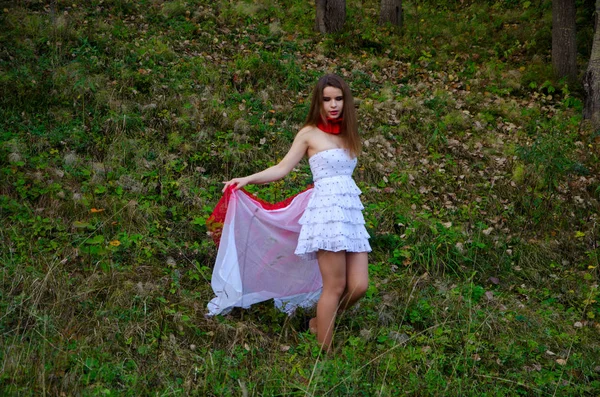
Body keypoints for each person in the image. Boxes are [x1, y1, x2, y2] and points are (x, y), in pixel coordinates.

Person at [220, 74, 371, 352]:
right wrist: (247, 179)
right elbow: (281, 168)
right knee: (335, 286)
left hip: (349, 213)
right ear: (319, 102)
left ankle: (319, 320)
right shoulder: (309, 133)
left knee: (359, 285)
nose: (333, 104)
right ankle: (324, 354)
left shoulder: (349, 133)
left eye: (338, 98)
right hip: (325, 215)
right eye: (327, 99)